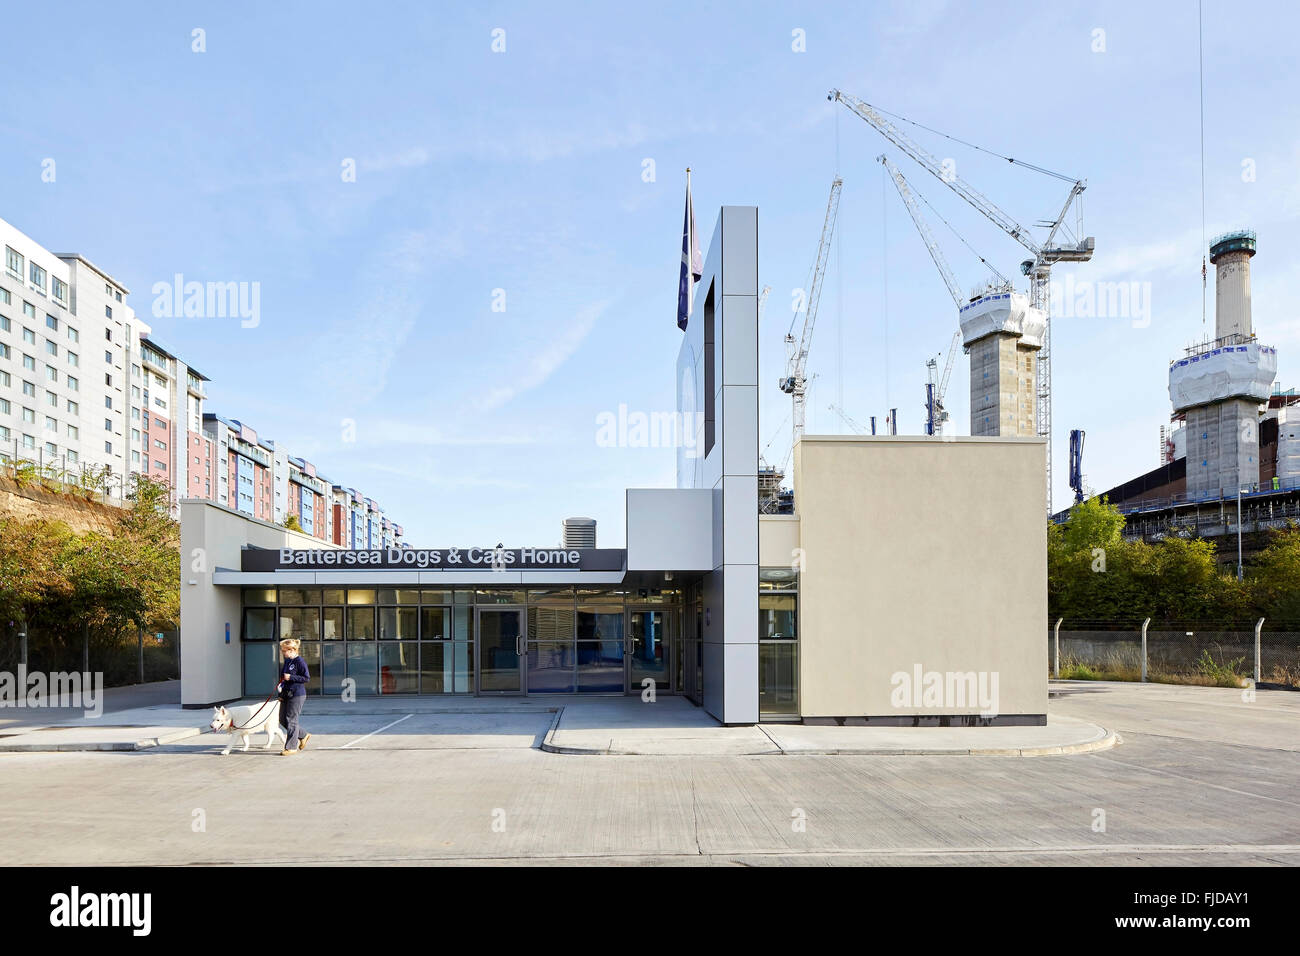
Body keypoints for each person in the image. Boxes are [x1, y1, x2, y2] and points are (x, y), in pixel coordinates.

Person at [276, 638, 311, 755]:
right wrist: (281, 694)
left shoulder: (300, 662)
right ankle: (303, 735)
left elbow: (306, 678)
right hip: (286, 694)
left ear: (291, 650)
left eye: (284, 651)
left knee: (291, 720)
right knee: (282, 719)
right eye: (282, 650)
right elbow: (283, 679)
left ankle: (291, 747)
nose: (282, 653)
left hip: (297, 694)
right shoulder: (287, 662)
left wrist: (291, 677)